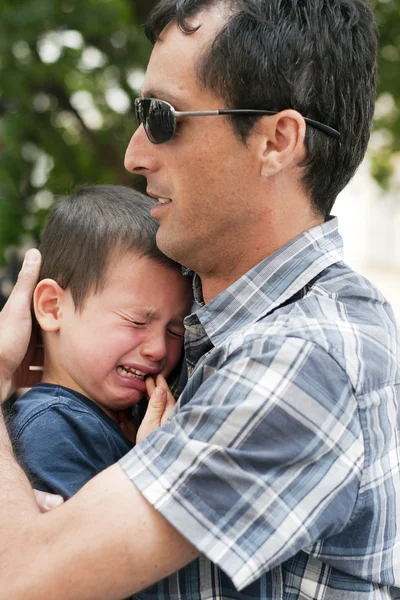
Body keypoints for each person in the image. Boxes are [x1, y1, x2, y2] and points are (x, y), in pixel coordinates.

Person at [0, 1, 399, 599]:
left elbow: (22, 580)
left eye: (161, 116)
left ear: (276, 141)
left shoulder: (302, 357)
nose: (134, 153)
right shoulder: (203, 318)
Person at [5, 184, 192, 499]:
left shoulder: (126, 416)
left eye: (175, 331)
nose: (158, 349)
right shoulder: (52, 427)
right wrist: (153, 465)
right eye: (137, 321)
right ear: (52, 307)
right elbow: (84, 547)